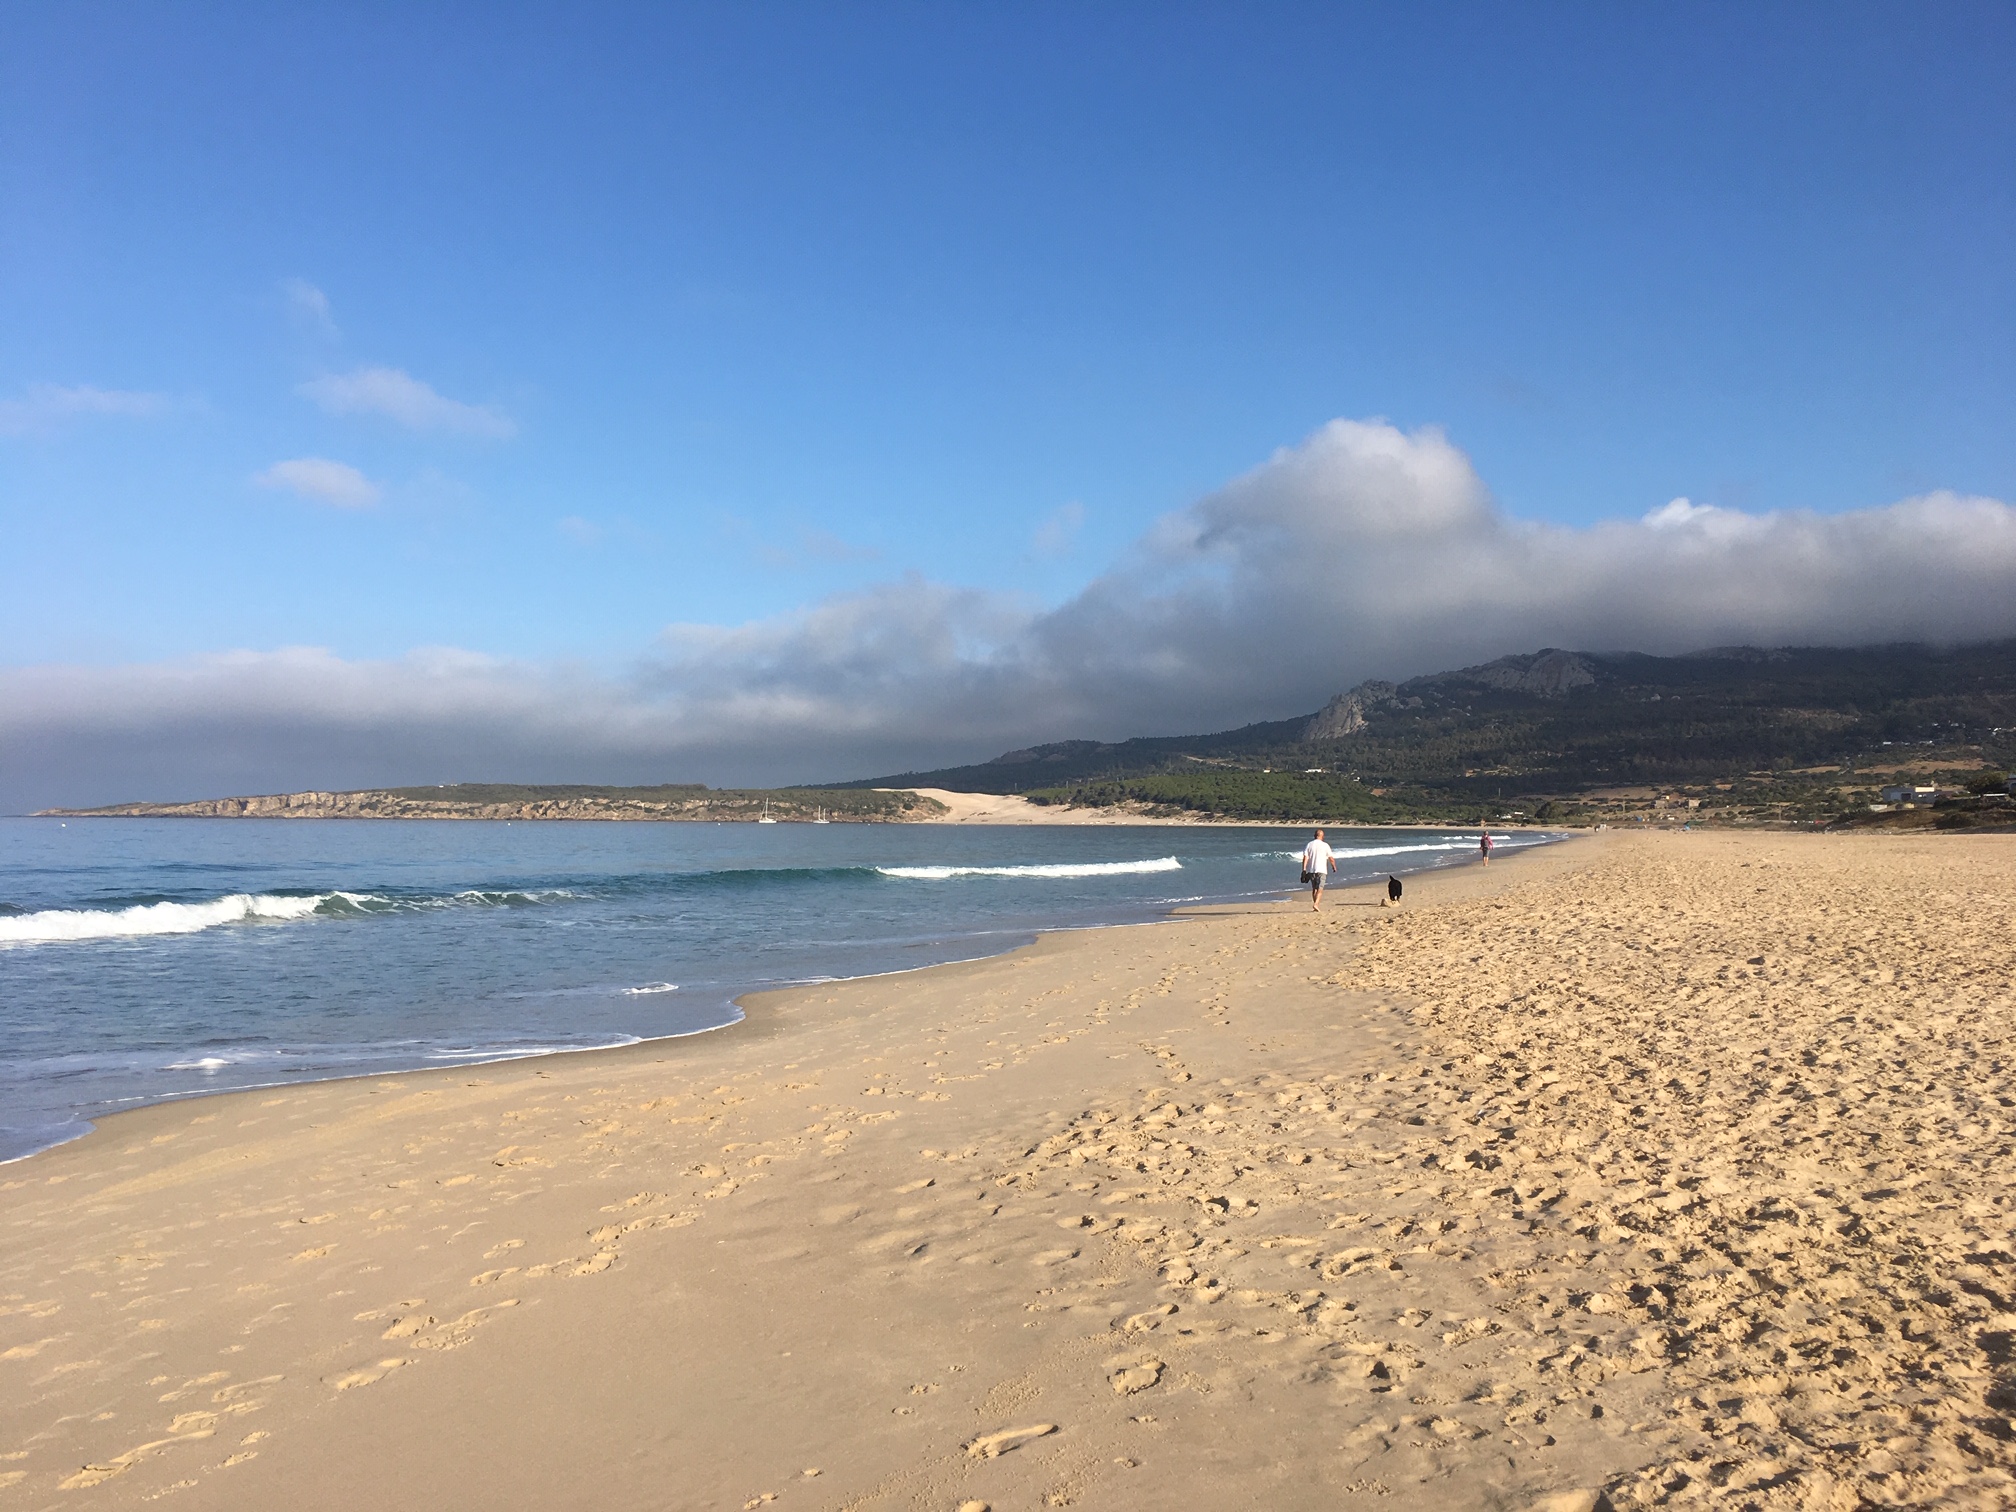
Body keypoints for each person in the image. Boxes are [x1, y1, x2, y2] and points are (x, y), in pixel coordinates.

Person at [1298, 828, 1336, 911]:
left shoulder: (1309, 844)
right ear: (1322, 836)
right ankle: (1316, 904)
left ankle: (1316, 905)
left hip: (1311, 870)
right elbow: (1331, 858)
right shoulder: (1325, 845)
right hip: (1321, 869)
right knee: (1320, 888)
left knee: (1314, 888)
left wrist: (1304, 869)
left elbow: (1305, 858)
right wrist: (1333, 866)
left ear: (1314, 836)